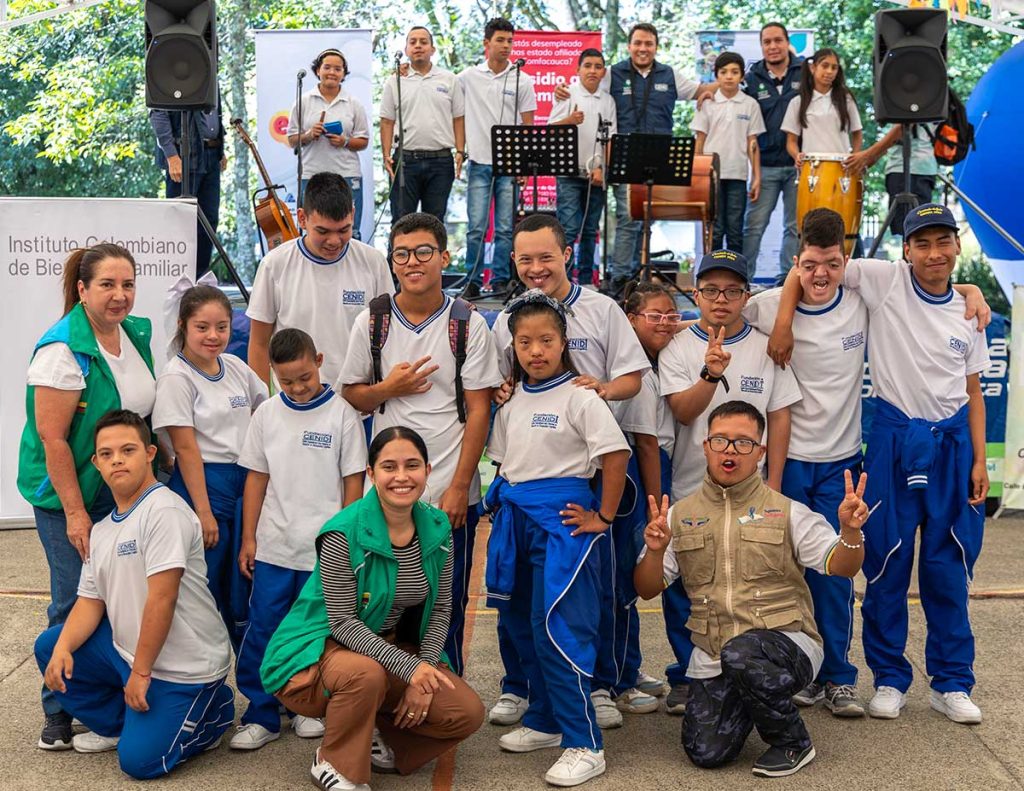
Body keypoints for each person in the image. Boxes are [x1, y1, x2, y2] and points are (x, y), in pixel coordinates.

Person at [749, 208, 991, 717]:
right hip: (886, 441)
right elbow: (803, 271)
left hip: (936, 448)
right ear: (904, 251)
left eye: (943, 242)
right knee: (885, 561)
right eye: (921, 244)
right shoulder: (882, 281)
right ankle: (888, 677)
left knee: (945, 566)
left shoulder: (961, 312)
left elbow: (974, 390)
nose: (933, 253)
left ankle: (948, 682)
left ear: (956, 247)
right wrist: (785, 323)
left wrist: (979, 461)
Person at [634, 401, 870, 777]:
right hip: (715, 654)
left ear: (760, 453)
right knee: (705, 752)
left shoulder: (788, 510)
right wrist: (656, 550)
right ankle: (749, 698)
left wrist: (851, 532)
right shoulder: (679, 515)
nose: (731, 451)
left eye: (743, 443)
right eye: (721, 441)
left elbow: (840, 566)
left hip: (786, 644)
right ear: (705, 447)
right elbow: (647, 589)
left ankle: (793, 742)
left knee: (742, 653)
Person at [488, 214, 650, 730]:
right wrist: (503, 393)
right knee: (520, 600)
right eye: (525, 259)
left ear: (566, 255)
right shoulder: (505, 320)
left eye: (545, 257)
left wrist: (595, 392)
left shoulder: (600, 310)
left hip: (591, 473)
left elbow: (631, 379)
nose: (536, 268)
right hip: (528, 483)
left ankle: (597, 685)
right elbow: (501, 386)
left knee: (593, 593)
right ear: (513, 261)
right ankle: (526, 691)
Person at [260, 427, 485, 791]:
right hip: (321, 649)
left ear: (428, 471)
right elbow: (344, 623)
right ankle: (335, 762)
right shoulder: (342, 533)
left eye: (412, 465)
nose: (401, 477)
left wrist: (423, 671)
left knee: (465, 712)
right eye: (389, 466)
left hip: (387, 648)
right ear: (371, 473)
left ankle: (377, 733)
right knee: (365, 675)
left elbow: (442, 608)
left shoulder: (439, 526)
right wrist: (410, 669)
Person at [338, 212, 503, 676]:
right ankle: (388, 710)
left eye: (424, 252)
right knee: (382, 607)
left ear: (444, 257)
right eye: (402, 253)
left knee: (444, 609)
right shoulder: (372, 320)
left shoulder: (466, 323)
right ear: (392, 261)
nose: (413, 262)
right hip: (388, 496)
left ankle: (441, 715)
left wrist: (459, 487)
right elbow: (353, 393)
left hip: (448, 493)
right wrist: (388, 388)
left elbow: (479, 411)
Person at [34, 410, 234, 778]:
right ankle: (121, 726)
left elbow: (163, 599)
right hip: (131, 653)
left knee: (139, 763)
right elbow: (89, 603)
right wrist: (63, 650)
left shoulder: (164, 511)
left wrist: (141, 673)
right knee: (50, 646)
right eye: (106, 454)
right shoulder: (104, 529)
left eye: (128, 450)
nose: (117, 460)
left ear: (150, 453)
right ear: (95, 462)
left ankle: (214, 713)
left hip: (184, 666)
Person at [486, 291, 630, 787]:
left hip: (565, 526)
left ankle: (585, 742)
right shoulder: (511, 401)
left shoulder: (581, 397)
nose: (536, 351)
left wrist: (604, 517)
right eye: (525, 342)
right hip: (518, 521)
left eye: (546, 340)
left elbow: (616, 456)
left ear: (564, 341)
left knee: (559, 628)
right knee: (523, 625)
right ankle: (546, 720)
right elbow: (505, 466)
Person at [19, 243, 156, 751]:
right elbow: (53, 440)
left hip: (119, 487)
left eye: (128, 285)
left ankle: (111, 697)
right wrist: (77, 514)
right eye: (107, 285)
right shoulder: (61, 351)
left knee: (123, 599)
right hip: (67, 496)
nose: (120, 296)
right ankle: (57, 709)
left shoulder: (134, 334)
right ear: (82, 289)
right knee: (72, 599)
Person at [657, 249, 801, 714]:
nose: (722, 299)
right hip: (691, 488)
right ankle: (688, 674)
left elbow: (779, 417)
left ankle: (751, 671)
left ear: (746, 295)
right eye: (712, 290)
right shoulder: (678, 349)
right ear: (696, 294)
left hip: (754, 496)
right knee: (689, 590)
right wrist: (710, 373)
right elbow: (681, 411)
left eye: (733, 290)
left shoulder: (766, 346)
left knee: (751, 586)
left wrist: (774, 484)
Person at [230, 328, 367, 751]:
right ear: (272, 374)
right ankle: (261, 712)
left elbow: (353, 484)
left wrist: (347, 544)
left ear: (320, 360)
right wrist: (249, 538)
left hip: (324, 553)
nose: (297, 387)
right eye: (286, 380)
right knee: (265, 628)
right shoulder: (267, 415)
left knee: (317, 633)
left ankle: (311, 707)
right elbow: (257, 479)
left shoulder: (342, 415)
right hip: (274, 547)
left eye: (304, 377)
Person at [153, 285, 268, 648]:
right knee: (205, 585)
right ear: (183, 325)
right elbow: (185, 450)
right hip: (203, 484)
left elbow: (264, 411)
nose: (213, 336)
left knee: (243, 582)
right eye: (202, 327)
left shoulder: (235, 366)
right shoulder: (177, 377)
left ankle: (251, 671)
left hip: (243, 482)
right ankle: (206, 673)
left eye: (222, 327)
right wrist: (203, 513)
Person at [246, 172, 393, 387]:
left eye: (344, 230)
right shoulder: (274, 264)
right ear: (302, 218)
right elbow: (259, 344)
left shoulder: (373, 262)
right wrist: (258, 405)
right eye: (322, 231)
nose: (334, 241)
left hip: (358, 405)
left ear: (353, 214)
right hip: (295, 402)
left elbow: (387, 336)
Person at [601, 22, 714, 294]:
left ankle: (636, 277)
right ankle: (620, 278)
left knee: (646, 217)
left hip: (659, 157)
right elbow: (588, 89)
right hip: (625, 154)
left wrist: (711, 92)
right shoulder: (612, 74)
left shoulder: (669, 74)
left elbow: (699, 89)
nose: (643, 49)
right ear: (629, 46)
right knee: (629, 218)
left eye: (648, 44)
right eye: (638, 43)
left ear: (655, 47)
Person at [458, 17, 537, 298]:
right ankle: (473, 279)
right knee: (476, 228)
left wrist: (525, 165)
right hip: (478, 161)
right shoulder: (467, 77)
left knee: (505, 228)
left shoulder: (522, 79)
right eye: (500, 40)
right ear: (486, 43)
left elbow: (529, 126)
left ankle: (503, 280)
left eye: (510, 41)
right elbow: (450, 105)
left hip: (510, 165)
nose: (506, 46)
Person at [381, 26, 466, 222]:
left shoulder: (449, 79)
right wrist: (386, 155)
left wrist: (460, 151)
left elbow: (459, 118)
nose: (418, 46)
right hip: (405, 161)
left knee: (434, 222)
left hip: (441, 161)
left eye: (423, 42)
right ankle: (396, 255)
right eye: (413, 42)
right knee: (401, 221)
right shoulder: (395, 80)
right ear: (406, 49)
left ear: (432, 49)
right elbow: (386, 121)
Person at [549, 48, 617, 289]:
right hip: (568, 173)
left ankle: (587, 281)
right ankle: (563, 281)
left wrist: (603, 169)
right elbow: (549, 130)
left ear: (604, 72)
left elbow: (610, 140)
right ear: (578, 69)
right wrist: (569, 121)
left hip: (594, 176)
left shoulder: (608, 101)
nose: (592, 71)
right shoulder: (566, 94)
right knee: (568, 228)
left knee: (590, 229)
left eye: (598, 67)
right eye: (587, 66)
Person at [741, 23, 803, 281]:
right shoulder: (752, 78)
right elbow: (730, 92)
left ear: (787, 42)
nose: (772, 46)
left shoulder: (805, 73)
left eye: (777, 40)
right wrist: (707, 94)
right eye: (767, 42)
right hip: (764, 165)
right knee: (753, 227)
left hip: (798, 164)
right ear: (762, 46)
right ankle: (743, 279)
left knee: (795, 227)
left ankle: (787, 280)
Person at [288, 48, 370, 235]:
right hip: (311, 174)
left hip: (347, 174)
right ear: (318, 70)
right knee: (312, 231)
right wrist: (309, 134)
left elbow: (363, 141)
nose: (332, 72)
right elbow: (292, 139)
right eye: (327, 67)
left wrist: (345, 141)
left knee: (350, 230)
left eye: (338, 69)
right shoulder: (303, 101)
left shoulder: (353, 102)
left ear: (343, 74)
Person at [692, 51, 765, 254]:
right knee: (715, 230)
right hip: (710, 176)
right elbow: (700, 140)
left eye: (734, 72)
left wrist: (757, 177)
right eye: (723, 72)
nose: (729, 76)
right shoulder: (707, 103)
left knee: (734, 231)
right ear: (717, 76)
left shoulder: (750, 105)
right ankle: (710, 278)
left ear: (742, 76)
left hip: (738, 175)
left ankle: (736, 279)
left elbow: (753, 143)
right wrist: (697, 175)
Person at [150, 101, 226, 277]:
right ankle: (179, 279)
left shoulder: (211, 74)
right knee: (181, 223)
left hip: (211, 154)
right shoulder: (171, 74)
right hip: (185, 157)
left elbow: (215, 114)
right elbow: (159, 114)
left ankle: (200, 278)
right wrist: (171, 155)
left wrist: (220, 149)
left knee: (209, 220)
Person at [846, 123, 938, 236]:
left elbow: (901, 128)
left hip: (910, 169)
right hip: (917, 168)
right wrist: (869, 159)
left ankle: (912, 252)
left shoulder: (911, 106)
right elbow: (893, 138)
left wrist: (867, 156)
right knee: (910, 229)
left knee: (913, 230)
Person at [781, 48, 863, 171]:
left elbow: (857, 133)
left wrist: (854, 158)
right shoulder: (798, 102)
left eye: (834, 68)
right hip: (812, 168)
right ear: (813, 68)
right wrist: (797, 155)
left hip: (842, 168)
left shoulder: (846, 99)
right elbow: (791, 141)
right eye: (825, 66)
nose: (829, 71)